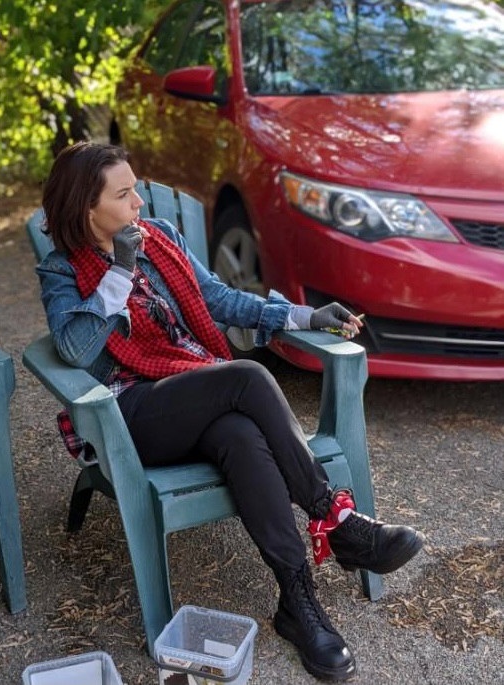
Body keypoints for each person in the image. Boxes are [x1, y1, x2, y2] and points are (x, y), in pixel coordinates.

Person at [37, 141, 424, 682]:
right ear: (87, 208)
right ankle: (336, 520)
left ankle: (299, 603)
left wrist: (307, 316)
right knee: (244, 376)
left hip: (189, 390)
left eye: (137, 190)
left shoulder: (163, 240)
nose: (138, 205)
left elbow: (219, 299)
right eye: (124, 196)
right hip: (129, 416)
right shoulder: (62, 270)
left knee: (241, 435)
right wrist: (120, 269)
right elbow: (76, 347)